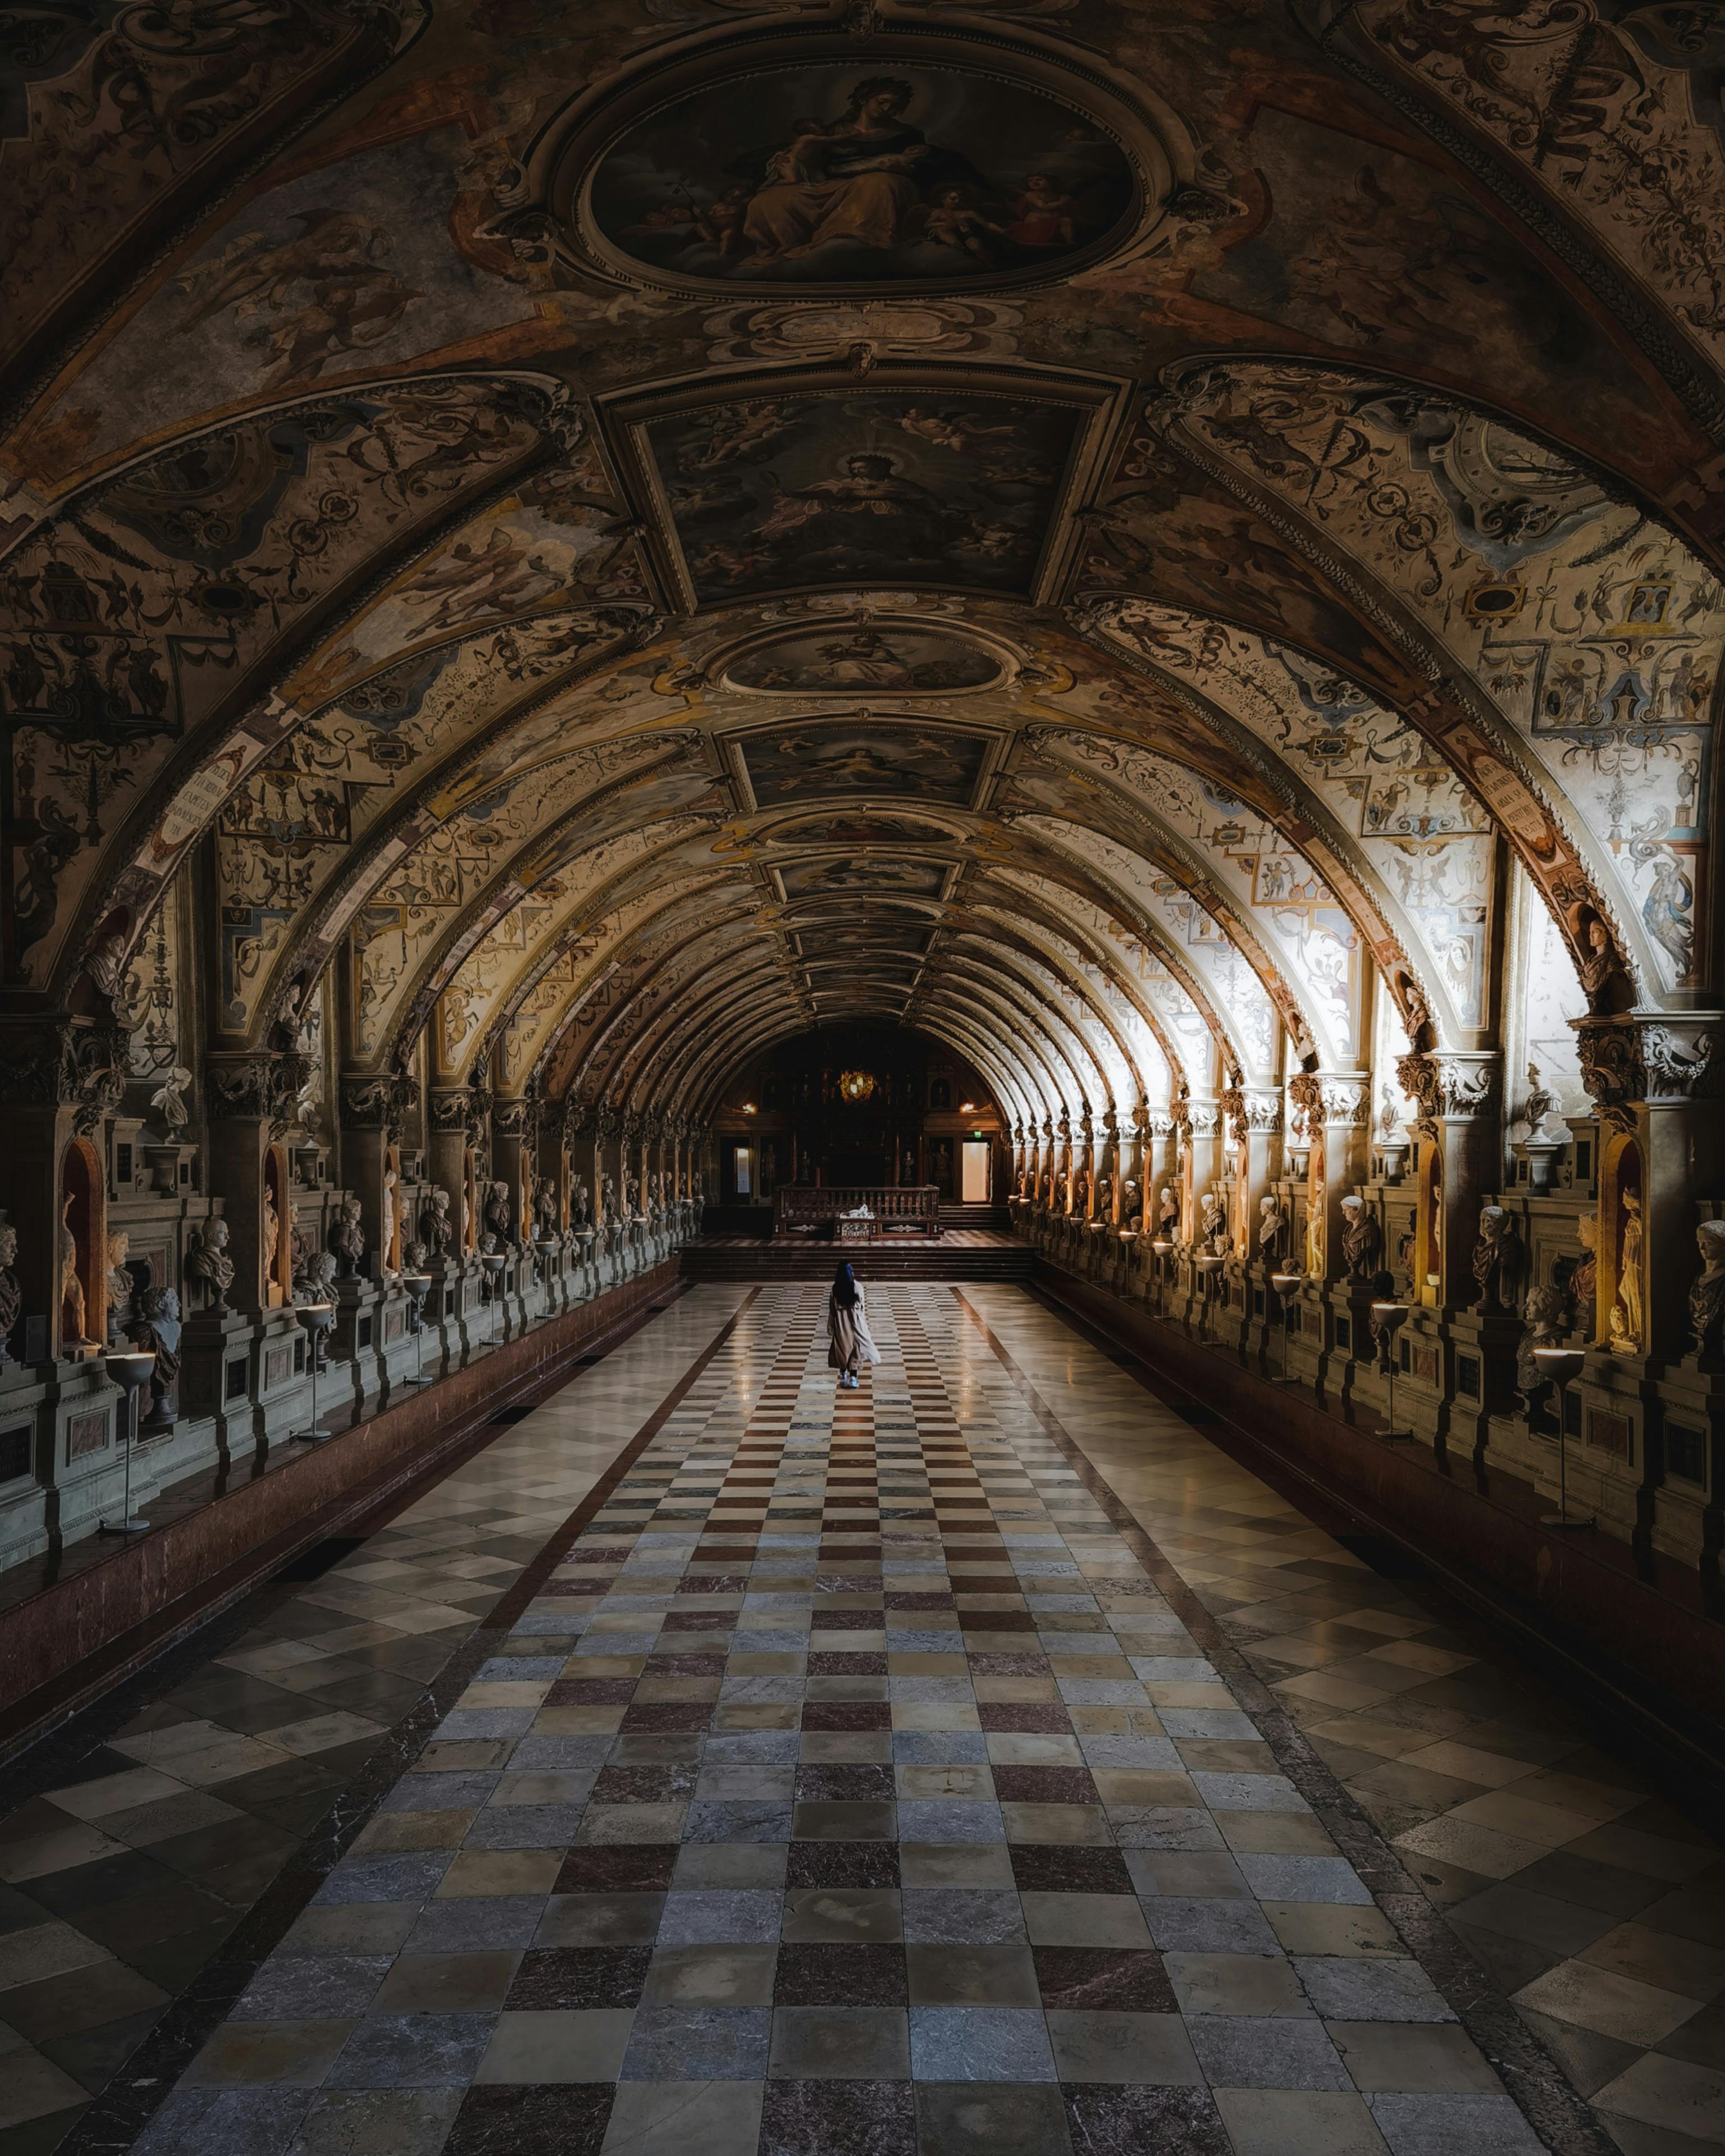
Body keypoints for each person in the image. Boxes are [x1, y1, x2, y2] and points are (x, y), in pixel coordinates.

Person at [827, 1261, 879, 1391]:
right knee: (855, 1351)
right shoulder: (858, 1287)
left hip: (841, 1324)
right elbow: (862, 1308)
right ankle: (854, 1378)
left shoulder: (835, 1288)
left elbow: (832, 1309)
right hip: (855, 1323)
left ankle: (844, 1376)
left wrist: (831, 1326)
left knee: (842, 1350)